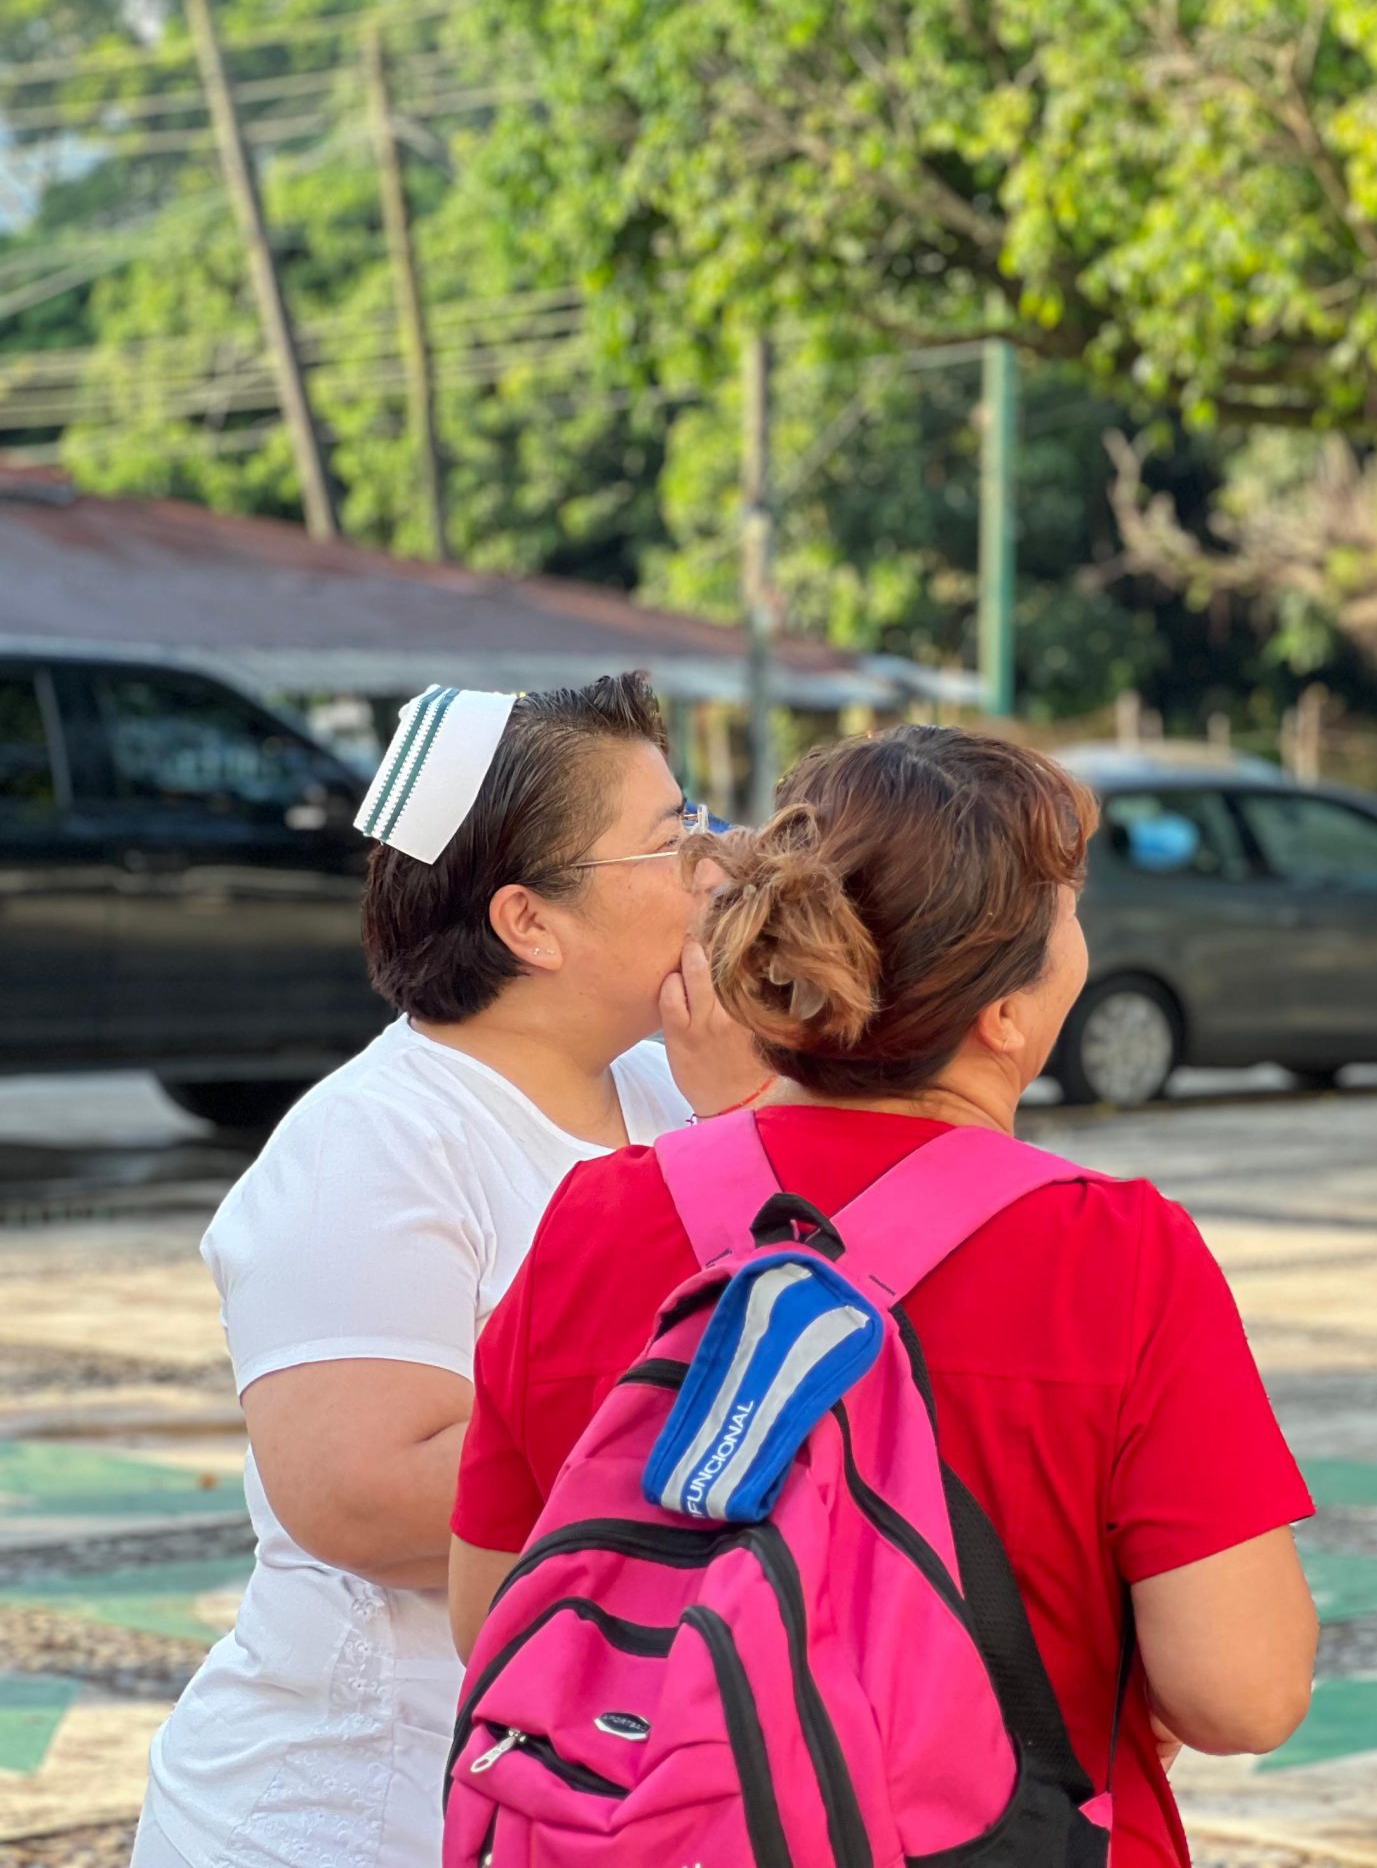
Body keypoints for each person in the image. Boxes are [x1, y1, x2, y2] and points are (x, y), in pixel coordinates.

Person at [446, 724, 1319, 1868]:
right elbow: (1242, 1692)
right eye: (1069, 915)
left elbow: (496, 1619)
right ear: (1004, 1013)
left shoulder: (595, 1221)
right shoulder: (1112, 1258)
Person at [135, 675, 766, 1868]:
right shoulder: (373, 1142)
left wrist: (748, 1122)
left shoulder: (676, 1086)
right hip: (361, 1810)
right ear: (531, 923)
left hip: (591, 1791)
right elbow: (355, 1493)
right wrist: (723, 1430)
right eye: (671, 838)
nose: (714, 869)